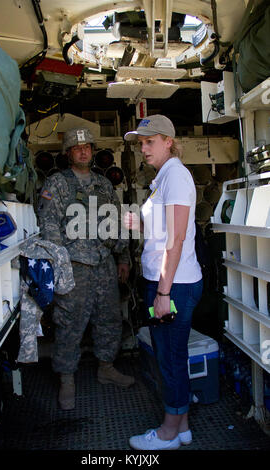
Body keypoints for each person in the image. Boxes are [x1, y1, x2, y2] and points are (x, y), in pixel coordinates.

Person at [37, 127, 134, 410]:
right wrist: (59, 264)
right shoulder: (56, 184)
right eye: (77, 147)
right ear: (68, 153)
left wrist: (123, 257)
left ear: (92, 151)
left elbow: (116, 222)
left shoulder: (104, 185)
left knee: (109, 318)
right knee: (69, 324)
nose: (83, 151)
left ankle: (106, 367)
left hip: (103, 263)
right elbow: (49, 226)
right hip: (73, 266)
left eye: (87, 147)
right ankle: (67, 379)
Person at [123, 115, 203, 450]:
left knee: (168, 358)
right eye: (140, 143)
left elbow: (178, 237)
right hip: (168, 281)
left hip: (174, 285)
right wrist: (138, 226)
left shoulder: (177, 177)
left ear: (168, 141)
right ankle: (182, 425)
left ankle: (168, 432)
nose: (143, 148)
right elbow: (165, 232)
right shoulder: (163, 178)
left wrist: (163, 292)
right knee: (172, 354)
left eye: (149, 141)